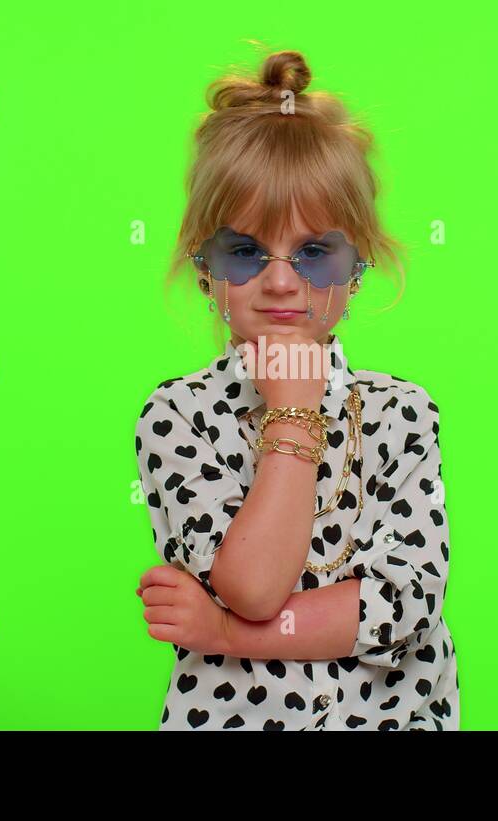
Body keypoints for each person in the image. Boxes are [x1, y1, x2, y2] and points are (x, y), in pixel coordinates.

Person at [134, 49, 457, 730]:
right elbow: (251, 585)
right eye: (245, 251)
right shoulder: (178, 416)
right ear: (203, 267)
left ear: (358, 266)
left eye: (316, 253)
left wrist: (223, 633)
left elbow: (399, 607)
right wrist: (294, 412)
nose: (281, 283)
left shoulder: (404, 415)